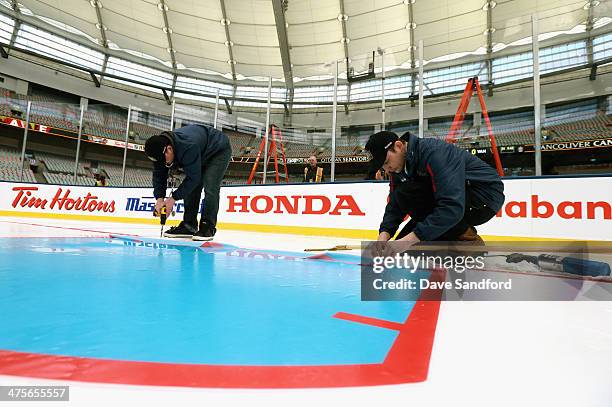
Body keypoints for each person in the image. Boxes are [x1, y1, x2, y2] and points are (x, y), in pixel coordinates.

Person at [365, 130, 505, 248]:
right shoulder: (398, 166)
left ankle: (468, 240)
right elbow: (395, 203)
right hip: (453, 199)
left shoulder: (435, 153)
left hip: (483, 196)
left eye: (387, 162)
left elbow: (451, 206)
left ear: (399, 146)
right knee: (409, 245)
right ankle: (445, 242)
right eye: (382, 166)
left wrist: (407, 241)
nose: (386, 169)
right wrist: (384, 234)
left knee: (411, 197)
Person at [144, 124, 232, 241]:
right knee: (191, 188)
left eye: (162, 160)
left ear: (169, 150)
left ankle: (207, 226)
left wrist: (172, 199)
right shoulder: (159, 150)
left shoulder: (187, 146)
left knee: (210, 186)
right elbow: (159, 176)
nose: (162, 163)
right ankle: (189, 225)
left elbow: (193, 179)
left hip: (217, 150)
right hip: (200, 150)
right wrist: (159, 199)